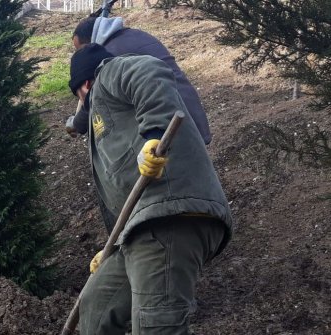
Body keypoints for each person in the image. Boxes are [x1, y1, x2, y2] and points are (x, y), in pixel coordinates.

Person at [69, 43, 232, 334]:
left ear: (84, 84)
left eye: (79, 97)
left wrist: (155, 135)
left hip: (169, 215)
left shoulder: (108, 73)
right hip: (139, 230)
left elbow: (148, 70)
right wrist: (114, 243)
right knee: (94, 309)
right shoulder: (109, 116)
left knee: (156, 326)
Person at [67, 15, 212, 146]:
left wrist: (76, 124)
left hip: (168, 125)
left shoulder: (111, 58)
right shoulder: (135, 35)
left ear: (91, 41)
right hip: (190, 111)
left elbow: (95, 100)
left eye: (80, 50)